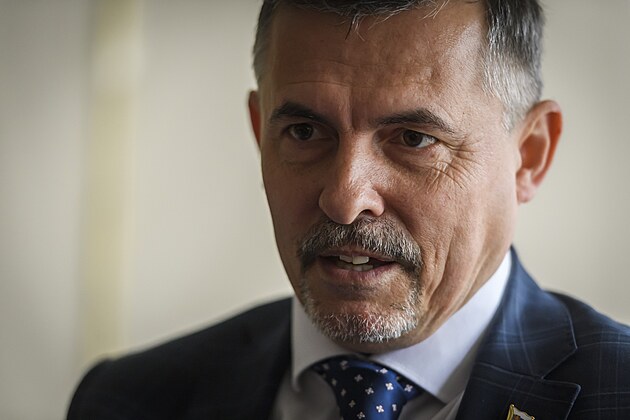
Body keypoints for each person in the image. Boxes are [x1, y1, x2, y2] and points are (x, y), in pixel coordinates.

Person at [68, 1, 630, 419]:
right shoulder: (127, 400)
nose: (344, 198)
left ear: (529, 155)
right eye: (304, 131)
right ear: (260, 133)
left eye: (413, 139)